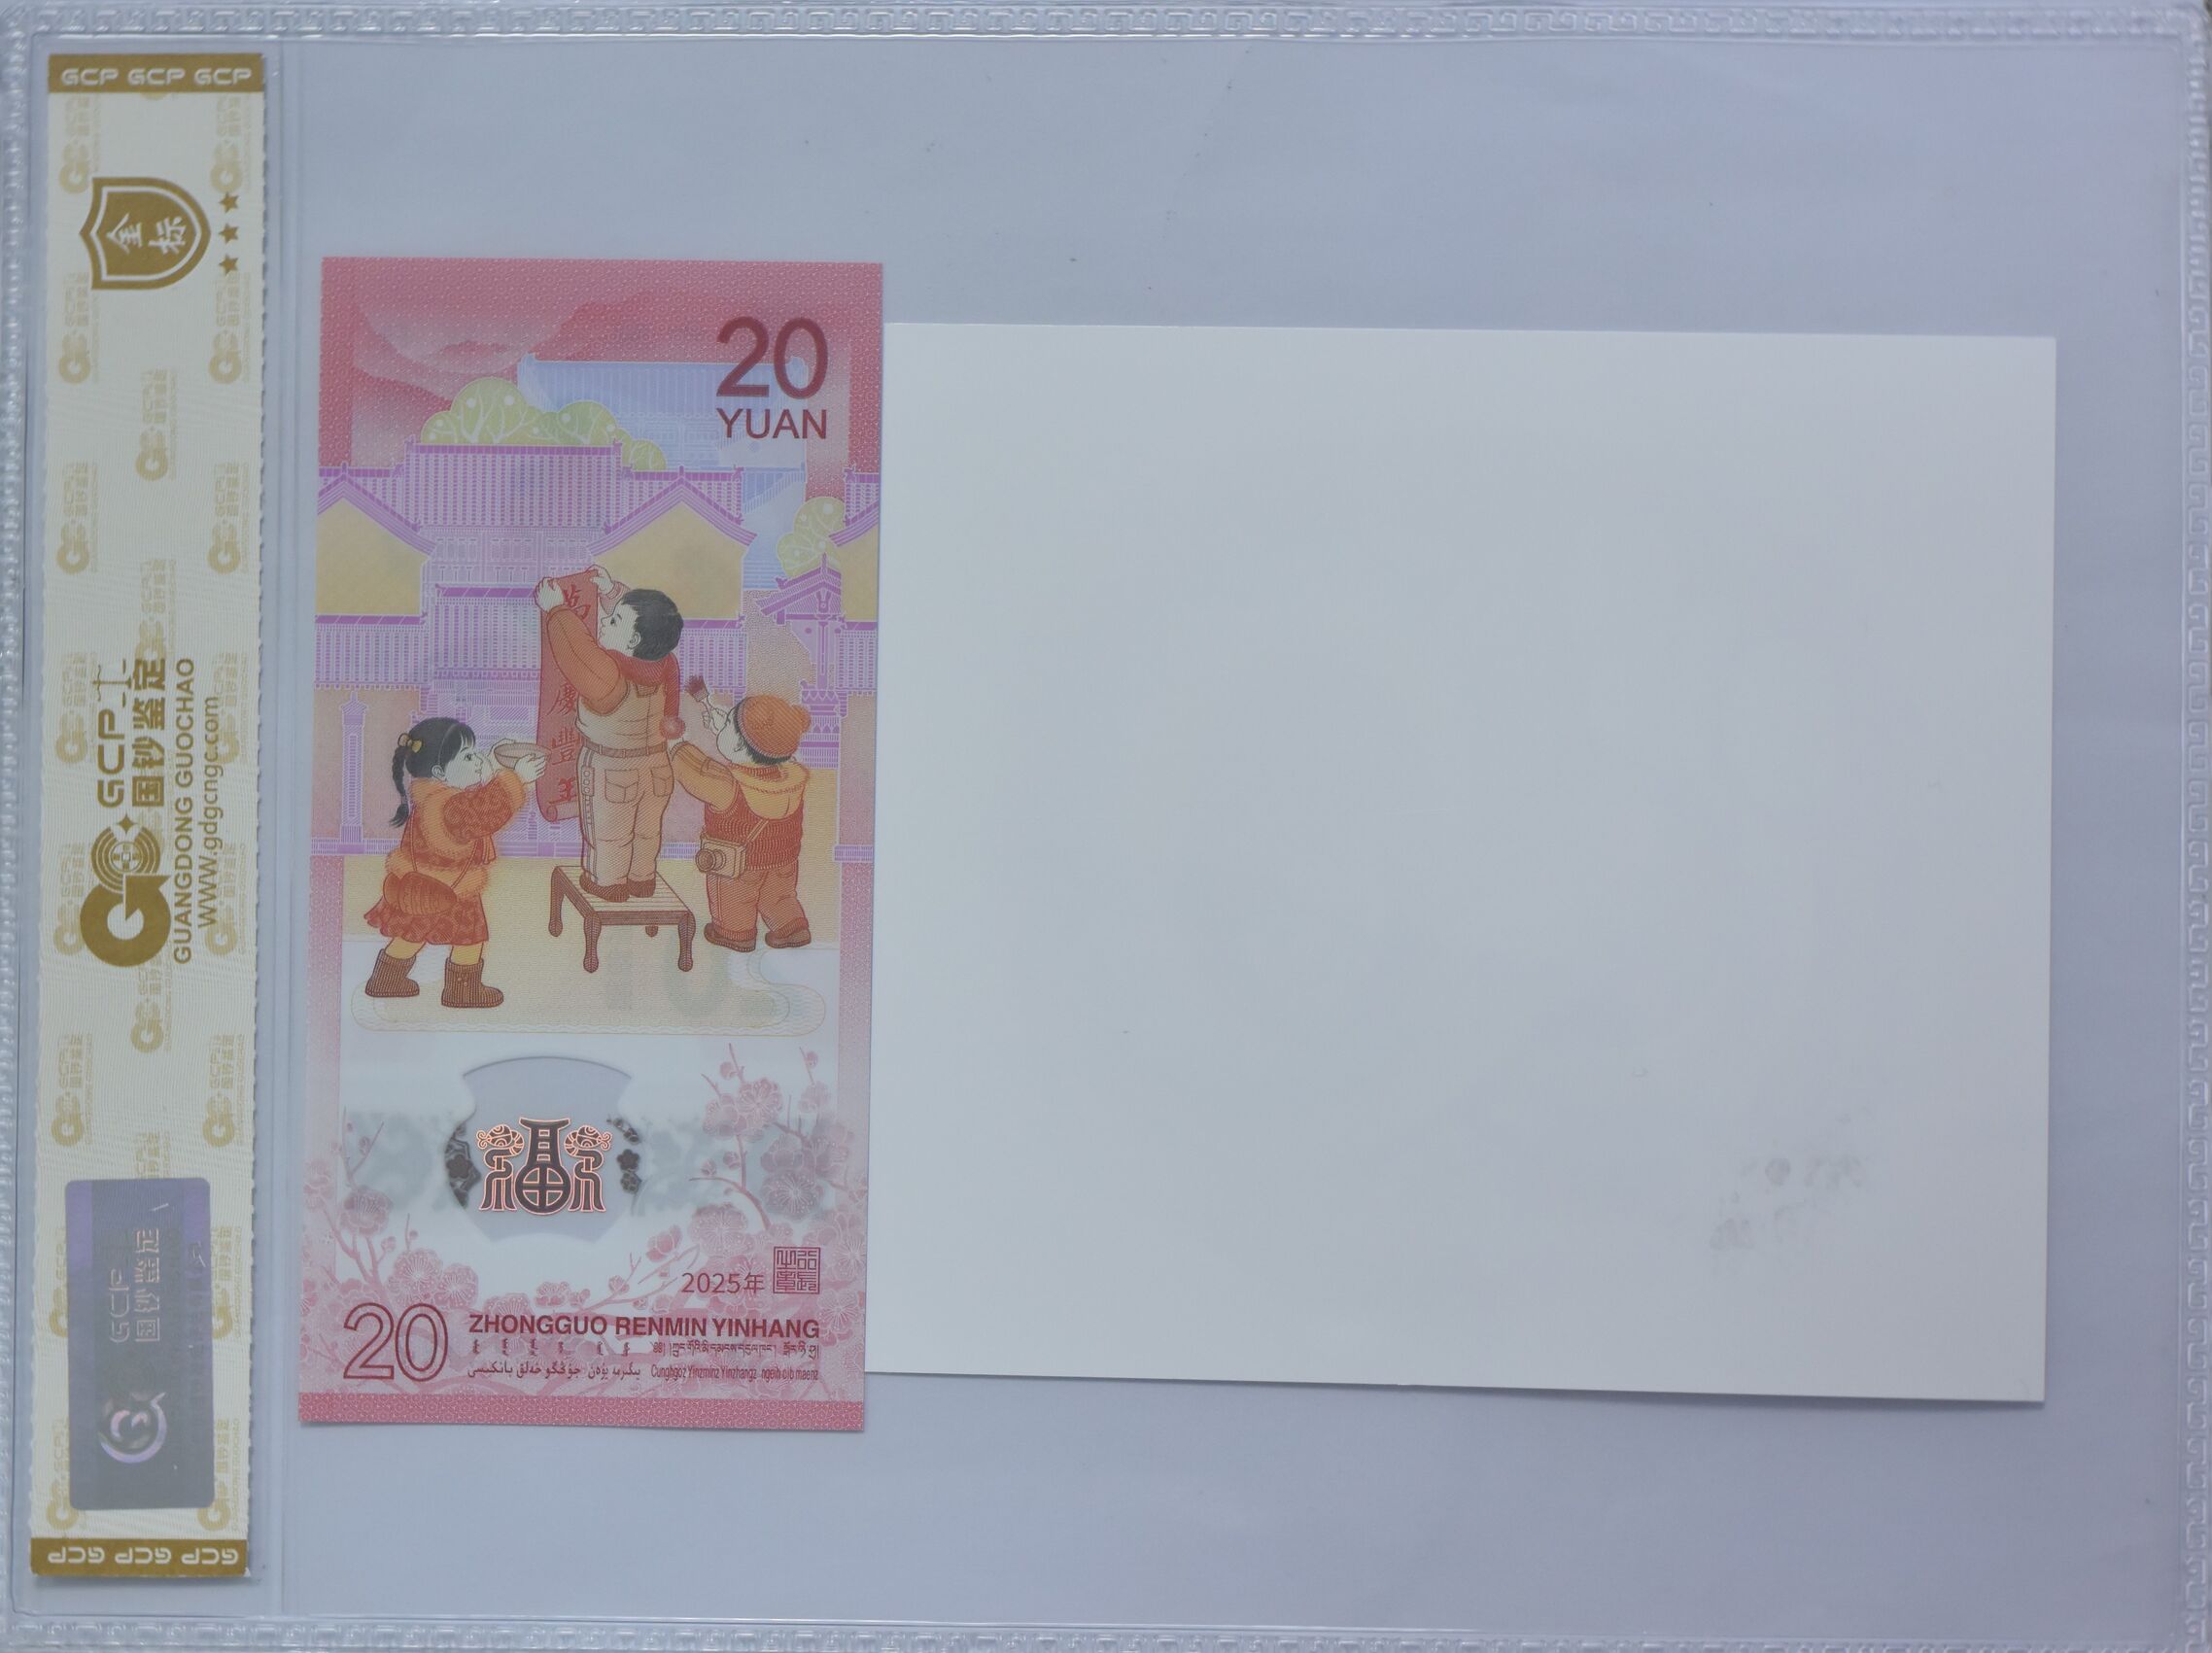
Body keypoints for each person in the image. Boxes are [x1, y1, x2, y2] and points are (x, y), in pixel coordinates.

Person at [363, 716, 544, 1009]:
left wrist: (495, 763)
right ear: (440, 772)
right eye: (469, 756)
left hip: (421, 883)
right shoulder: (449, 806)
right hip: (450, 887)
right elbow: (482, 813)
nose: (478, 760)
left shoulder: (435, 796)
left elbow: (475, 800)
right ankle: (462, 991)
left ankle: (386, 980)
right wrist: (516, 780)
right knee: (469, 938)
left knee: (412, 933)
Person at [535, 568, 683, 902]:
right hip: (657, 766)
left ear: (631, 642)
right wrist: (612, 591)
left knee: (610, 832)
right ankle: (642, 879)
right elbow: (646, 619)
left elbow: (578, 652)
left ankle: (608, 883)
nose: (604, 622)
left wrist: (557, 610)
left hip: (612, 769)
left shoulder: (609, 673)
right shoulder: (664, 664)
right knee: (646, 831)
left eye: (614, 621)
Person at [672, 689, 813, 952]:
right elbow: (755, 747)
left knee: (734, 901)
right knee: (780, 897)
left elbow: (697, 771)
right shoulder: (790, 779)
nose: (722, 723)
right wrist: (723, 727)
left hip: (739, 866)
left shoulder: (730, 786)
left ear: (738, 746)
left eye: (728, 723)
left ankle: (734, 934)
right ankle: (791, 927)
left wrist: (678, 747)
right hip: (783, 860)